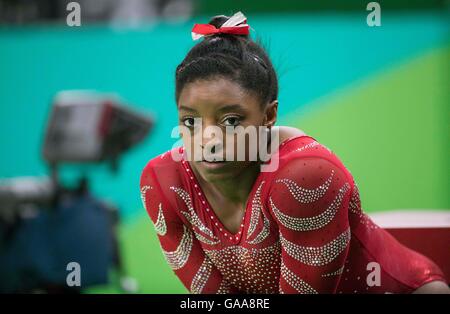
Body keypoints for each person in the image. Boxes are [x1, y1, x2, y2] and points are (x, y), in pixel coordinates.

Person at [140, 12, 449, 294]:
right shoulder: (164, 182)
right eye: (190, 121)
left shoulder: (304, 177)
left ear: (269, 115)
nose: (208, 139)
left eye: (231, 121)